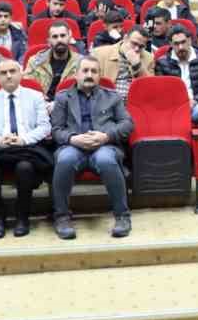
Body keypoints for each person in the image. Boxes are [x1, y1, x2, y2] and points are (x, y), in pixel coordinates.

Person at [49, 55, 135, 239]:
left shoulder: (112, 97)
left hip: (104, 146)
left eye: (94, 71)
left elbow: (127, 124)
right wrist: (73, 139)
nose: (89, 75)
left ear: (99, 75)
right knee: (65, 159)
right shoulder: (63, 98)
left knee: (105, 160)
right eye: (85, 71)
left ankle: (122, 215)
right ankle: (62, 216)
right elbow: (56, 130)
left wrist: (106, 136)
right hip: (73, 146)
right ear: (76, 74)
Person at [0, 58, 54, 239]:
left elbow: (44, 127)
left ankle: (22, 217)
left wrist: (23, 139)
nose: (9, 76)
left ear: (21, 73)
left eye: (12, 71)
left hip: (26, 150)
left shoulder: (35, 97)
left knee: (24, 168)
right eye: (3, 73)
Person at [154, 26, 198, 181]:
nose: (181, 47)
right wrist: (180, 102)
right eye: (176, 44)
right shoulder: (162, 62)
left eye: (184, 42)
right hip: (173, 107)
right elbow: (161, 90)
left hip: (196, 104)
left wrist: (195, 100)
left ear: (190, 40)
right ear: (170, 44)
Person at [25, 20, 88, 98]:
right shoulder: (35, 61)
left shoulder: (81, 63)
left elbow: (85, 90)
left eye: (63, 36)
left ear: (69, 37)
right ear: (49, 41)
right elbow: (27, 88)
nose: (59, 40)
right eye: (55, 37)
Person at [91, 26, 154, 99]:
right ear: (125, 38)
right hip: (107, 101)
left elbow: (150, 88)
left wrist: (137, 65)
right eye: (134, 43)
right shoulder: (100, 53)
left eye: (141, 46)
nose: (137, 49)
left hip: (134, 102)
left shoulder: (149, 58)